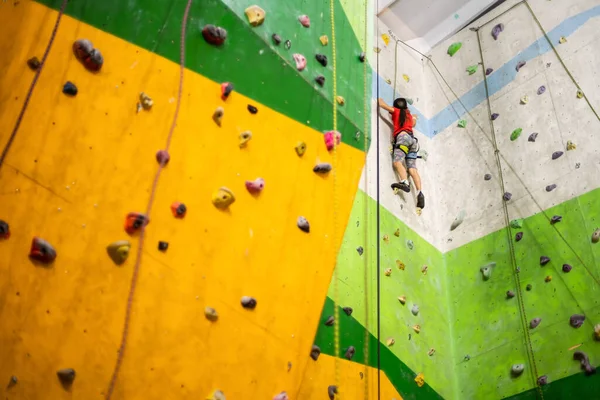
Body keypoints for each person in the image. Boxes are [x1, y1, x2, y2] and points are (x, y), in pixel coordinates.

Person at [378, 97, 425, 209]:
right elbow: (413, 123)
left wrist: (380, 99)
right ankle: (420, 193)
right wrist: (414, 117)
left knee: (397, 162)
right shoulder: (408, 115)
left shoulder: (396, 111)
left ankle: (404, 182)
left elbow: (382, 105)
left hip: (403, 138)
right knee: (413, 169)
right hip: (413, 141)